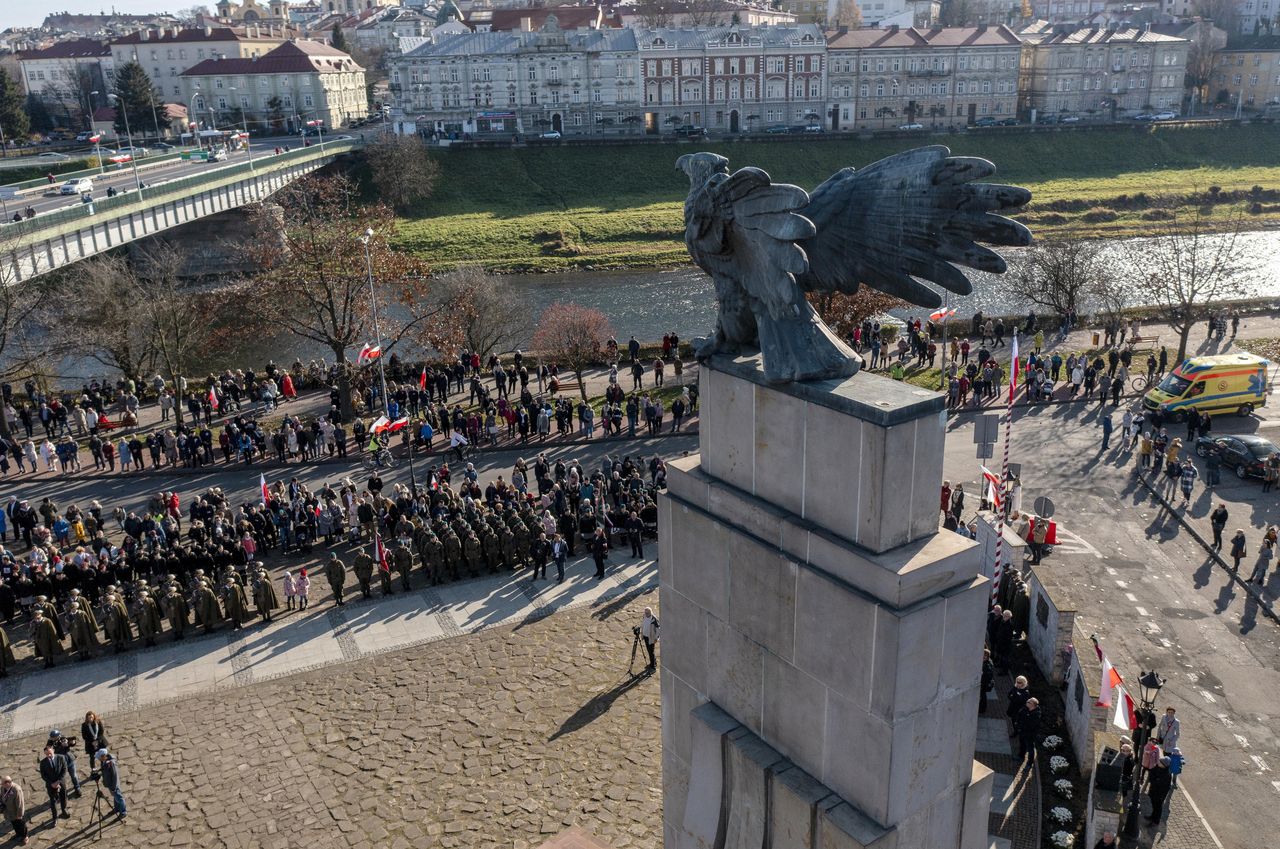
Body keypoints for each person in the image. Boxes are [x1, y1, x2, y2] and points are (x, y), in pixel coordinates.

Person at [37, 745, 71, 824]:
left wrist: (58, 781)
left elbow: (64, 769)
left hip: (61, 782)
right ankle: (55, 817)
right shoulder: (43, 763)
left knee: (63, 797)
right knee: (53, 801)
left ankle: (64, 810)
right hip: (51, 785)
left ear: (53, 751)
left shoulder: (61, 758)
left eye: (50, 753)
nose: (48, 755)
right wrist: (52, 783)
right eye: (46, 754)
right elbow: (43, 775)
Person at [96, 749, 126, 820]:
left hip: (114, 785)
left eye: (99, 757)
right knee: (115, 797)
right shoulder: (104, 761)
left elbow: (115, 775)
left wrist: (114, 787)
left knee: (119, 798)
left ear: (103, 756)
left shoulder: (111, 763)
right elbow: (105, 769)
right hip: (110, 784)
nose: (98, 759)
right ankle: (117, 808)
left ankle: (123, 812)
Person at [1145, 755, 1173, 825]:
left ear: (1164, 765)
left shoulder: (1167, 775)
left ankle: (1155, 821)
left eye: (1160, 762)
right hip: (1153, 791)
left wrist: (1155, 779)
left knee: (1158, 808)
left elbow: (1161, 785)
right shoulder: (1157, 767)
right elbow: (1151, 775)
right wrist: (1155, 779)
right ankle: (1152, 816)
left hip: (1159, 796)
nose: (1158, 762)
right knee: (1154, 806)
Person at [1015, 697, 1041, 767]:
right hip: (1022, 732)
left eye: (1028, 702)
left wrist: (1023, 727)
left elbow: (1031, 726)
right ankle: (1021, 756)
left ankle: (1029, 763)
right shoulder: (1025, 708)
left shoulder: (1036, 715)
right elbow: (1019, 715)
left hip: (1029, 735)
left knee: (1030, 749)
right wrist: (1018, 724)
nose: (1027, 702)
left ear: (1033, 705)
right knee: (1022, 745)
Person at [1, 776, 27, 845]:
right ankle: (18, 834)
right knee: (14, 824)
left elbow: (20, 803)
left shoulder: (16, 789)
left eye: (2, 783)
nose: (1, 785)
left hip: (16, 812)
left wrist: (19, 814)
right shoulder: (3, 787)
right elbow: (2, 796)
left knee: (21, 825)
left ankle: (24, 837)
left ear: (7, 783)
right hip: (9, 812)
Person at [639, 607, 659, 674]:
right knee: (649, 650)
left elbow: (658, 629)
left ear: (650, 612)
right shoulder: (644, 616)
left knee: (651, 652)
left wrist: (656, 638)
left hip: (651, 638)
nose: (646, 614)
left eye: (647, 613)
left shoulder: (654, 619)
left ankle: (653, 666)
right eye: (645, 612)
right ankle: (654, 661)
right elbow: (643, 624)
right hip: (645, 636)